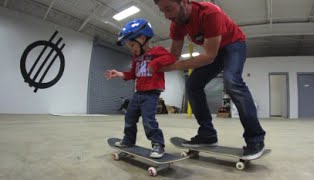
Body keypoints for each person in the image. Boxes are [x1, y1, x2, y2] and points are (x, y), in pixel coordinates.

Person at [153, 0, 266, 160]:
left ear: (184, 2)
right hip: (215, 50)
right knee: (192, 84)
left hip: (234, 44)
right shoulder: (176, 23)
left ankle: (255, 139)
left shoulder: (210, 12)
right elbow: (174, 55)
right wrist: (154, 60)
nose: (166, 16)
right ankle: (207, 134)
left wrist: (173, 66)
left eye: (169, 9)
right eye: (162, 11)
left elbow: (209, 56)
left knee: (231, 81)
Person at [105, 18, 176, 158]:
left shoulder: (157, 51)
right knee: (129, 117)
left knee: (148, 120)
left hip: (152, 93)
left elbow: (171, 58)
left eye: (132, 45)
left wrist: (155, 63)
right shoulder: (136, 58)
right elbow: (133, 74)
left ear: (142, 38)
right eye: (129, 46)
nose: (131, 49)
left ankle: (158, 145)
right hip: (138, 93)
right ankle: (129, 140)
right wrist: (120, 73)